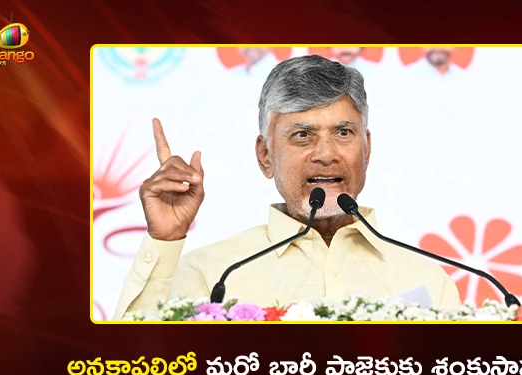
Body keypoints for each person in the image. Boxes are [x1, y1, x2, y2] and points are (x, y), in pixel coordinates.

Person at [113, 55, 461, 320]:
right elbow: (139, 366)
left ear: (366, 149)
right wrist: (165, 240)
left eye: (343, 133)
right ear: (265, 156)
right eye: (302, 135)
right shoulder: (213, 275)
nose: (326, 154)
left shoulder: (428, 280)